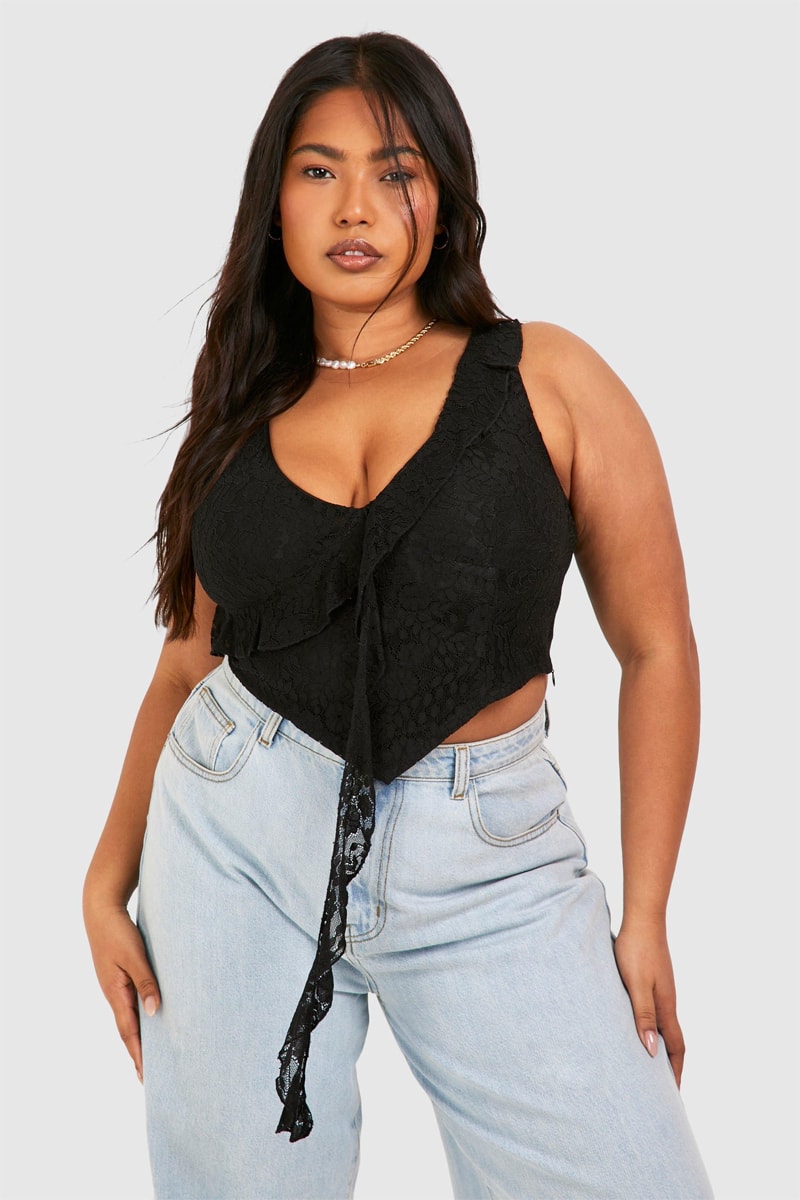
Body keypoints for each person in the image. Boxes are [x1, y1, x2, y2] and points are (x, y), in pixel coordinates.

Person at [83, 30, 714, 1200]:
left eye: (394, 170)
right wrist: (101, 880)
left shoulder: (546, 378)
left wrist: (645, 916)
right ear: (274, 201)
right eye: (318, 170)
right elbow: (187, 661)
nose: (354, 206)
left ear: (444, 197)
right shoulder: (244, 403)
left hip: (490, 864)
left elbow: (655, 645)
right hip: (231, 842)